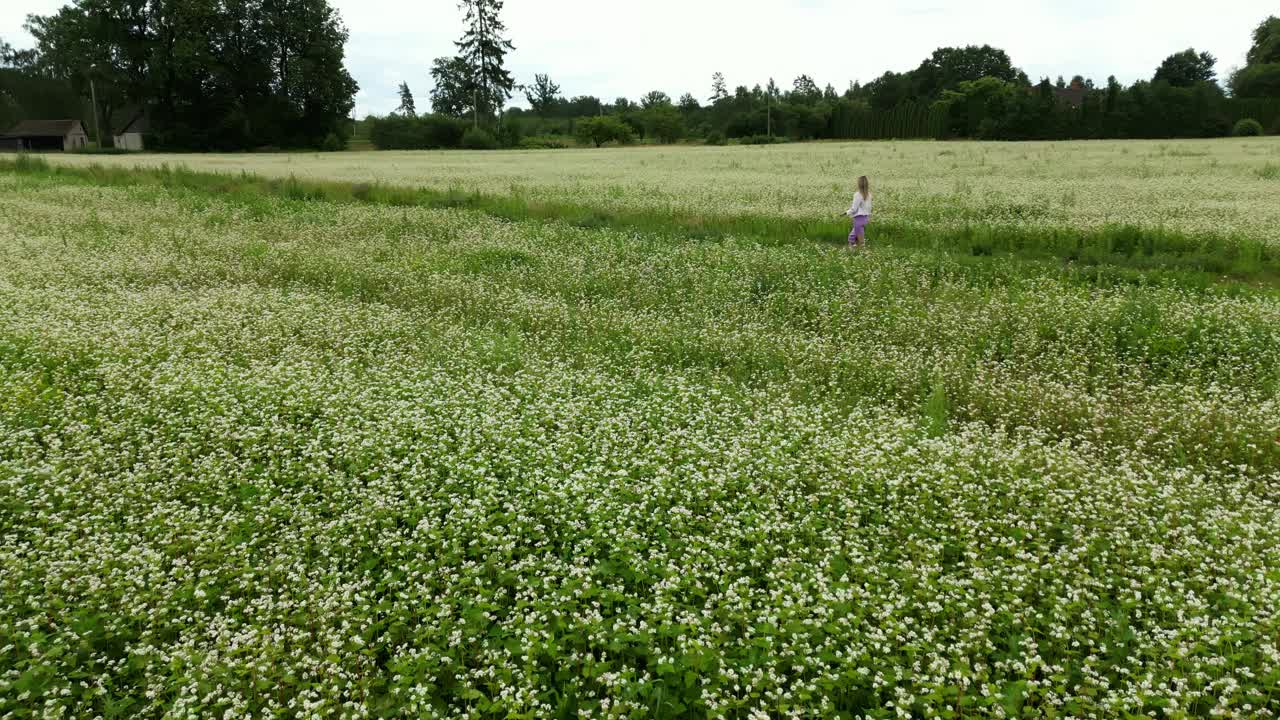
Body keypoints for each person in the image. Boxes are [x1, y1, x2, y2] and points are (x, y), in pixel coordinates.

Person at [840, 176, 873, 249]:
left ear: (859, 184)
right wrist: (868, 218)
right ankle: (857, 254)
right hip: (865, 219)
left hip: (858, 219)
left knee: (856, 240)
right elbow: (869, 208)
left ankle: (855, 255)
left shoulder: (858, 195)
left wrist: (845, 213)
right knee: (854, 238)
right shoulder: (869, 195)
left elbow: (854, 209)